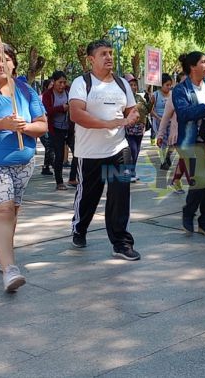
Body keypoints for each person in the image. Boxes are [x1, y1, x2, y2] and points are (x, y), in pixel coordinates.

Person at [0, 44, 47, 292]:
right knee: (2, 210)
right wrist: (1, 123)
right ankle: (10, 269)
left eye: (4, 59)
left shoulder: (26, 90)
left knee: (12, 210)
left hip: (23, 163)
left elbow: (42, 125)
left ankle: (0, 255)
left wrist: (23, 127)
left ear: (14, 64)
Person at [68, 39, 141, 260]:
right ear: (91, 60)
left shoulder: (122, 84)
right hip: (89, 152)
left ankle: (121, 242)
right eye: (103, 54)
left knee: (120, 195)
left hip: (119, 149)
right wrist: (107, 123)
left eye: (110, 53)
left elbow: (132, 110)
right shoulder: (81, 83)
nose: (109, 57)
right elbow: (76, 114)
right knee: (89, 196)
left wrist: (133, 117)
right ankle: (79, 228)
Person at [173, 51, 205, 236]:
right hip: (194, 141)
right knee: (201, 182)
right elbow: (184, 114)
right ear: (192, 67)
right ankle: (188, 212)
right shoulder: (181, 90)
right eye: (203, 62)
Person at [42, 71, 78, 190]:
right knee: (59, 156)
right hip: (56, 129)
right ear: (54, 82)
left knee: (77, 152)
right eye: (59, 82)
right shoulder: (48, 95)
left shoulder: (69, 90)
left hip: (69, 128)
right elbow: (47, 110)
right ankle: (59, 182)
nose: (62, 85)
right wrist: (61, 108)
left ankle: (72, 178)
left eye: (64, 82)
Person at [156, 75, 190, 194]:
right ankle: (194, 189)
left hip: (194, 135)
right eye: (183, 81)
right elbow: (165, 117)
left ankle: (176, 181)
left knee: (185, 159)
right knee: (187, 160)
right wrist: (160, 135)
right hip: (178, 135)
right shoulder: (174, 96)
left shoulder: (199, 93)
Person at [125, 74, 151, 182]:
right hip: (129, 129)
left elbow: (147, 110)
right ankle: (129, 172)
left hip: (140, 130)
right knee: (133, 150)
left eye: (135, 85)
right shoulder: (124, 98)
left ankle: (132, 172)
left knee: (136, 151)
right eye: (131, 85)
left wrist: (151, 99)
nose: (133, 87)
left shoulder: (140, 98)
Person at [39, 78, 56, 176]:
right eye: (51, 85)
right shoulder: (41, 97)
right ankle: (52, 164)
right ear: (46, 86)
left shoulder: (53, 97)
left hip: (51, 125)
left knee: (49, 146)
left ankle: (46, 167)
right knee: (49, 145)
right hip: (43, 125)